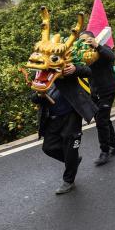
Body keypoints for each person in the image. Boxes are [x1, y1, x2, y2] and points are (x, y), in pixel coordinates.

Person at [32, 63, 97, 194]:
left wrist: (75, 69)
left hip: (71, 116)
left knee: (71, 146)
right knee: (48, 148)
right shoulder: (39, 75)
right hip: (52, 119)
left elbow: (87, 71)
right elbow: (33, 97)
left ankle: (68, 181)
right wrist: (39, 95)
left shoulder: (64, 67)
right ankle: (72, 161)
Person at [79, 31, 115, 167]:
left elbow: (111, 57)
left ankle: (104, 151)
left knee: (101, 120)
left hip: (107, 90)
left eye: (87, 40)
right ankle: (114, 145)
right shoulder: (83, 55)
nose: (84, 42)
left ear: (93, 38)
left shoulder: (102, 48)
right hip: (94, 92)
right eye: (81, 41)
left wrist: (97, 45)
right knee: (104, 119)